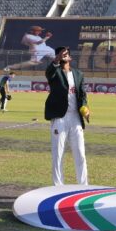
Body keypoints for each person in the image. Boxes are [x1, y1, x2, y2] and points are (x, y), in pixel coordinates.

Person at [44, 46, 89, 186]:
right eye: (61, 54)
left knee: (80, 154)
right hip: (60, 118)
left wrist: (86, 109)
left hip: (75, 117)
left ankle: (83, 186)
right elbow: (49, 73)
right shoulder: (54, 73)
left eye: (66, 54)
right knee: (58, 155)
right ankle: (58, 187)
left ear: (70, 57)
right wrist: (56, 60)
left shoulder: (78, 74)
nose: (64, 55)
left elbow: (82, 95)